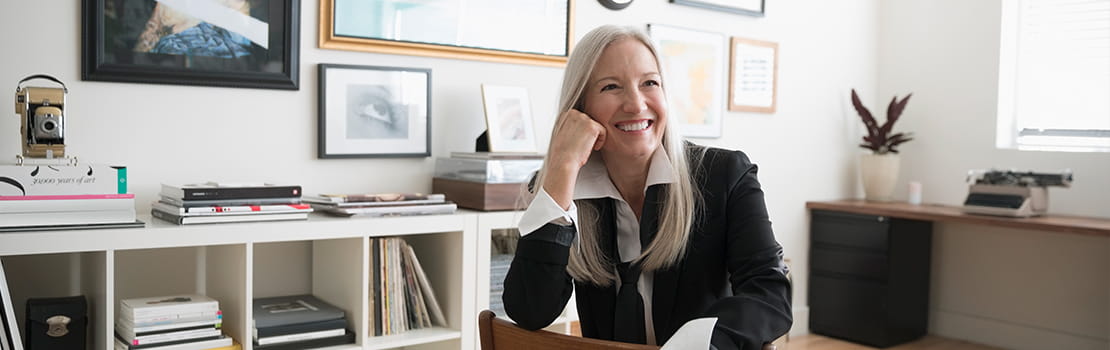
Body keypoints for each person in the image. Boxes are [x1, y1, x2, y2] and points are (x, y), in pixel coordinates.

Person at [502, 25, 792, 349]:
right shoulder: (564, 187)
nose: (636, 105)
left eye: (650, 83)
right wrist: (562, 167)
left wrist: (693, 343)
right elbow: (530, 311)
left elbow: (769, 295)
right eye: (612, 86)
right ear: (581, 109)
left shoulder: (726, 175)